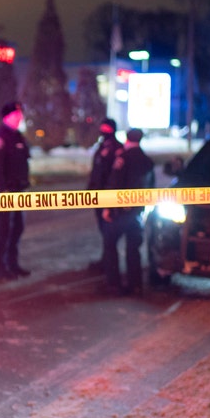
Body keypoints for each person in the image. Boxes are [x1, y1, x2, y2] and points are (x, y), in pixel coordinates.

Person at [100, 128, 155, 296]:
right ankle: (135, 285)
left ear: (127, 139)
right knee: (133, 249)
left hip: (120, 213)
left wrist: (108, 208)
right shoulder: (147, 161)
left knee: (110, 244)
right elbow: (151, 187)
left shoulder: (123, 158)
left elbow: (114, 183)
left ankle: (114, 284)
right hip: (137, 212)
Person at [0, 101, 31, 280]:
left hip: (18, 192)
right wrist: (2, 190)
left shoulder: (17, 136)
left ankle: (13, 265)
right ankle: (0, 268)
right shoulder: (0, 137)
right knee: (4, 230)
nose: (20, 117)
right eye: (17, 114)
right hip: (4, 193)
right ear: (7, 116)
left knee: (17, 229)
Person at [85, 117, 123, 272]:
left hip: (108, 196)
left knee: (109, 231)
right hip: (97, 195)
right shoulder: (101, 146)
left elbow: (115, 174)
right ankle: (106, 260)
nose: (103, 131)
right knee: (103, 230)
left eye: (106, 128)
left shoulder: (117, 148)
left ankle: (109, 265)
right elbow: (96, 170)